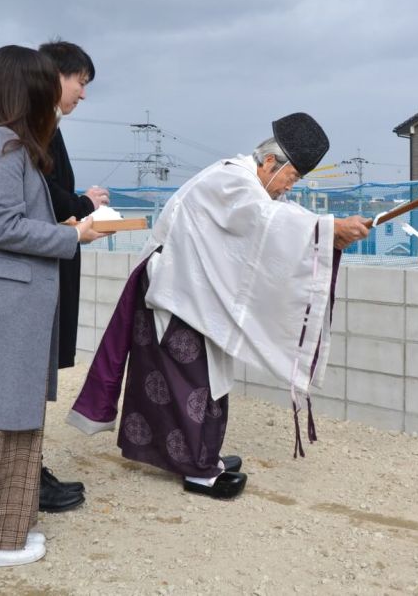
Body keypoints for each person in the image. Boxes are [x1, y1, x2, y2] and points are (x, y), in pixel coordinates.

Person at [66, 113, 369, 499]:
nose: (286, 190)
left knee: (207, 378)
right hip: (174, 290)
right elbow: (265, 220)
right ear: (271, 163)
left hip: (196, 291)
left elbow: (267, 229)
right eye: (290, 179)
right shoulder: (231, 179)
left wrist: (327, 236)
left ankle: (204, 454)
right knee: (187, 382)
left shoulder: (249, 184)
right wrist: (327, 230)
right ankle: (196, 469)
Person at [0, 45, 105, 569]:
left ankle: (4, 536)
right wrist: (72, 236)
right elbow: (3, 227)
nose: (50, 94)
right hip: (4, 309)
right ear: (20, 89)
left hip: (13, 307)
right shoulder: (2, 146)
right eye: (40, 85)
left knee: (16, 426)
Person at [34, 39, 109, 513]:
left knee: (37, 372)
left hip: (53, 255)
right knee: (30, 373)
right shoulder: (30, 128)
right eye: (79, 81)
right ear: (53, 76)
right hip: (44, 260)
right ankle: (28, 475)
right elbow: (49, 196)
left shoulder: (44, 126)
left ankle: (30, 470)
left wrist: (79, 203)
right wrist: (86, 205)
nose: (82, 93)